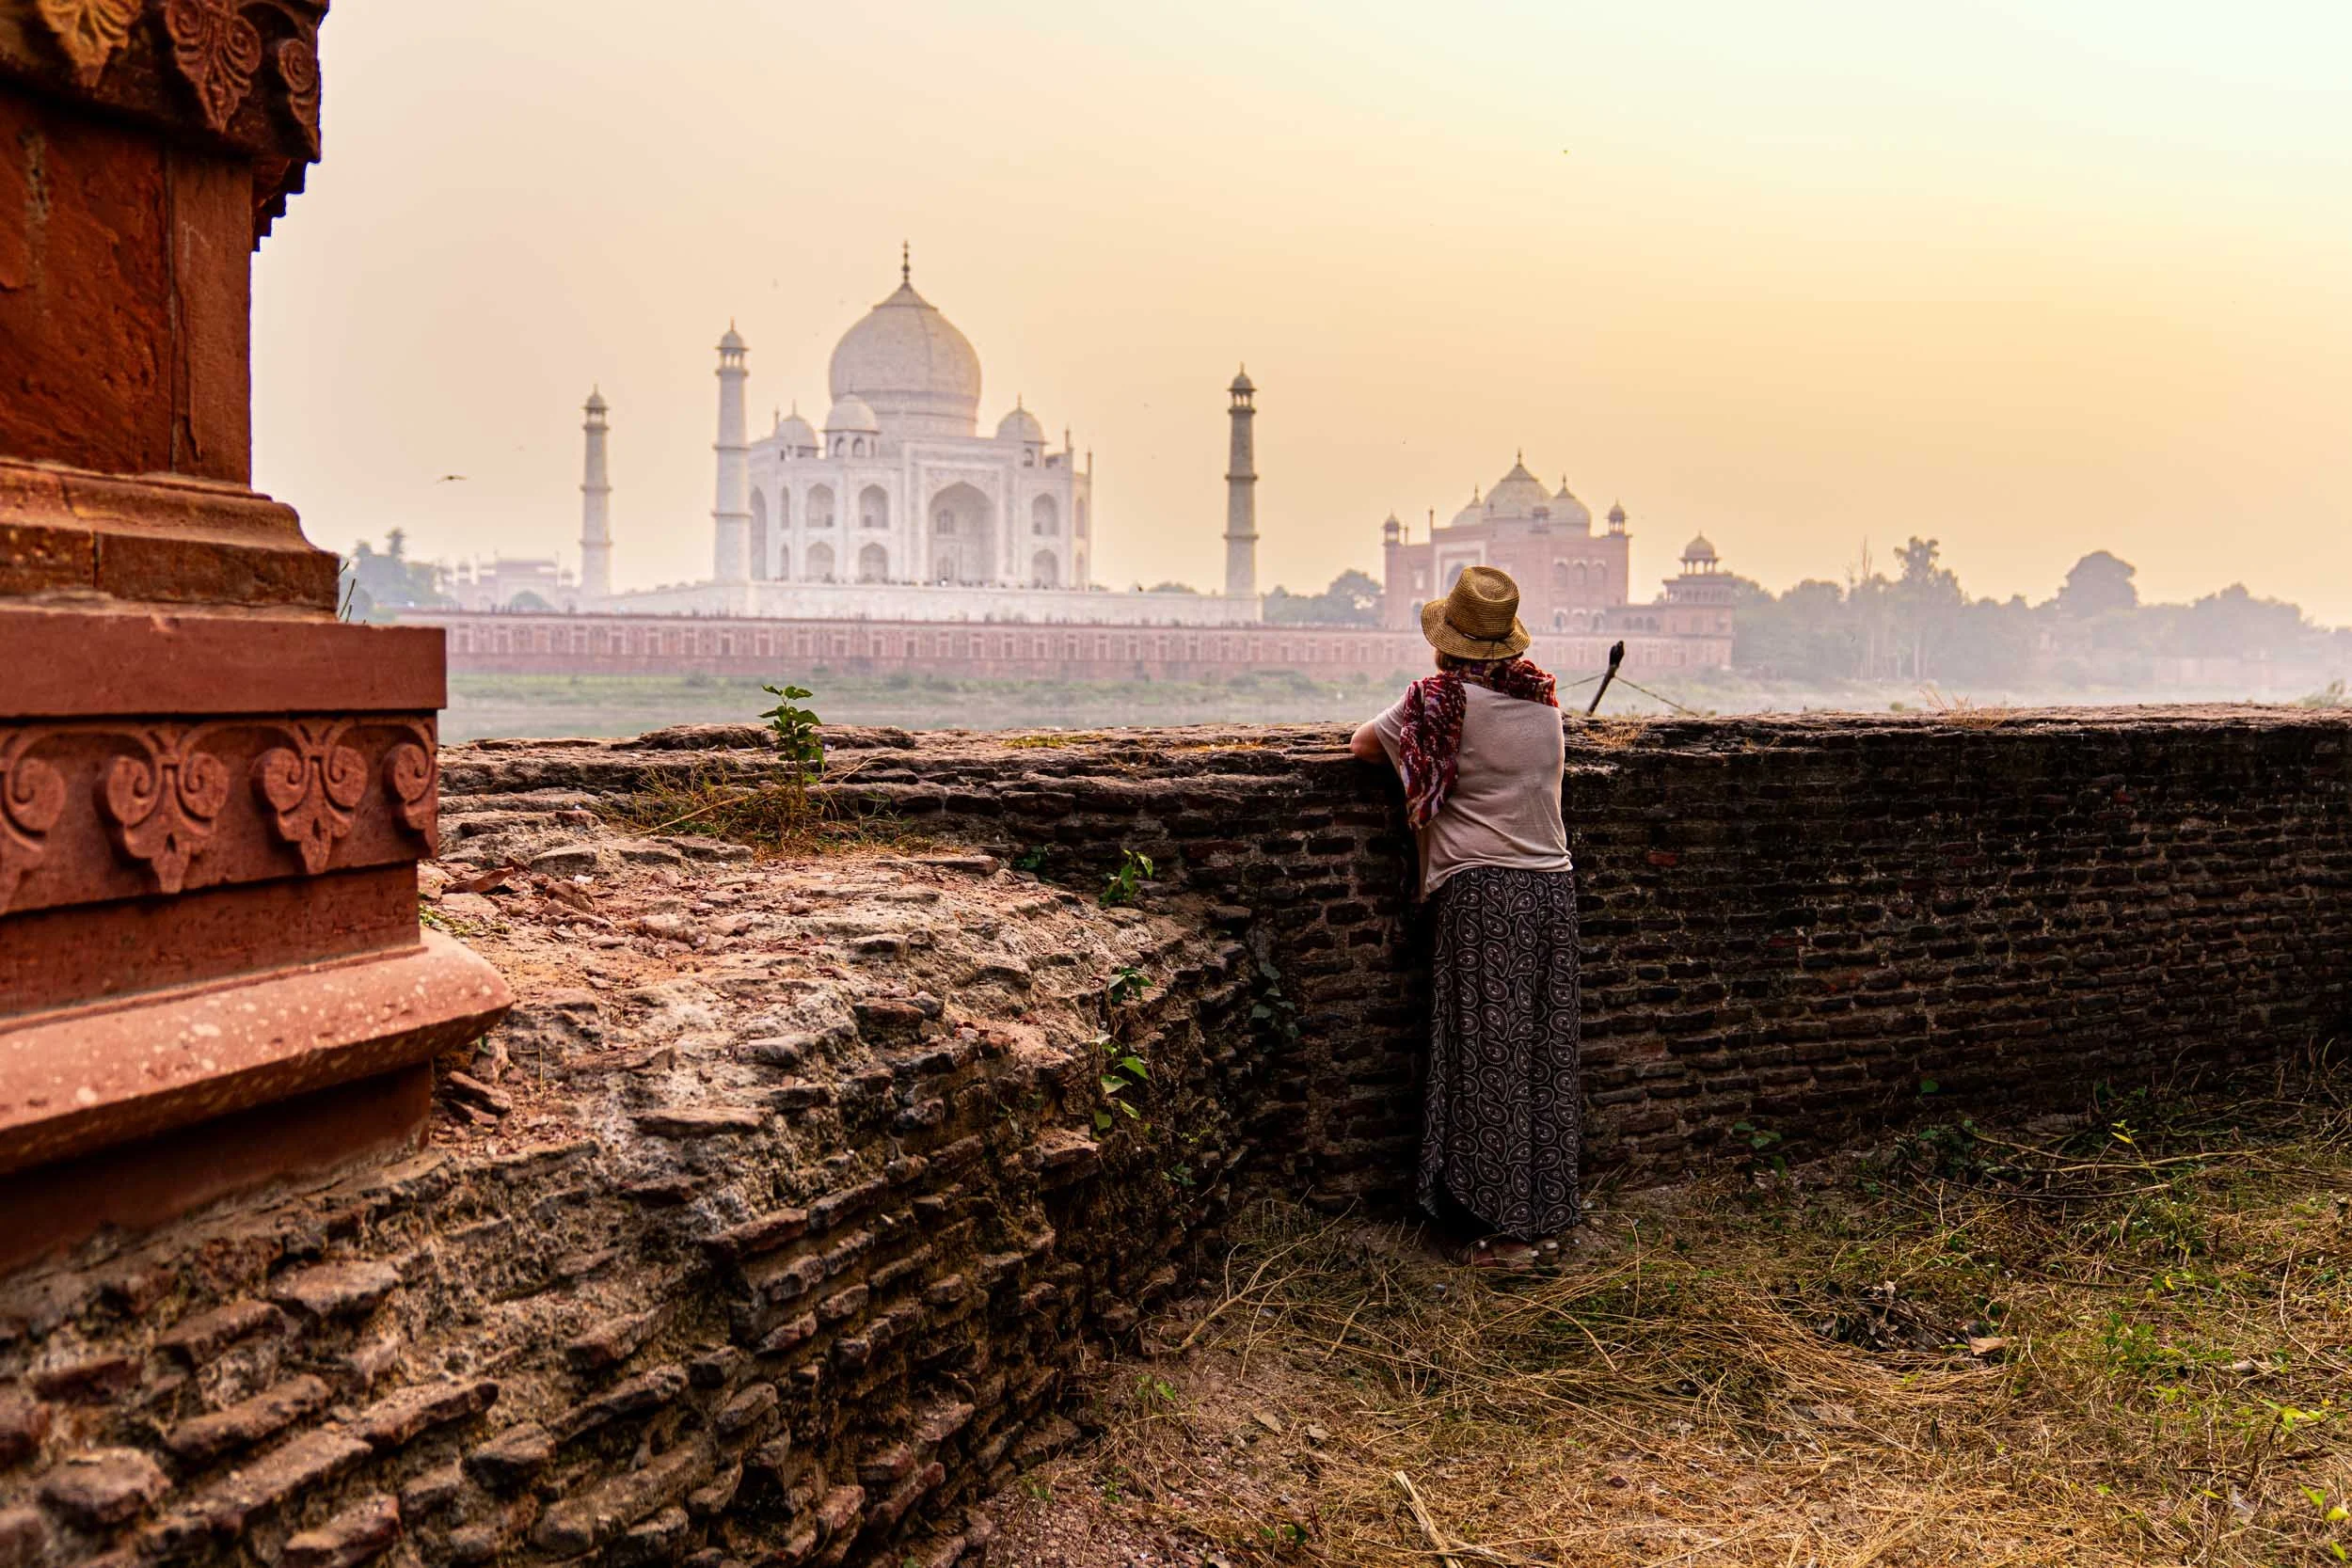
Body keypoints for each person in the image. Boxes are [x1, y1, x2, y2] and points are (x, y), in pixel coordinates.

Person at [1350, 565, 1579, 1262]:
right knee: (1540, 1053)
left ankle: (1503, 1232)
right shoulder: (1544, 705)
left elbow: (1363, 744)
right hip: (1552, 891)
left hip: (1486, 895)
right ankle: (1541, 1212)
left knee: (1489, 1057)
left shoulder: (1439, 703)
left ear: (1449, 643)